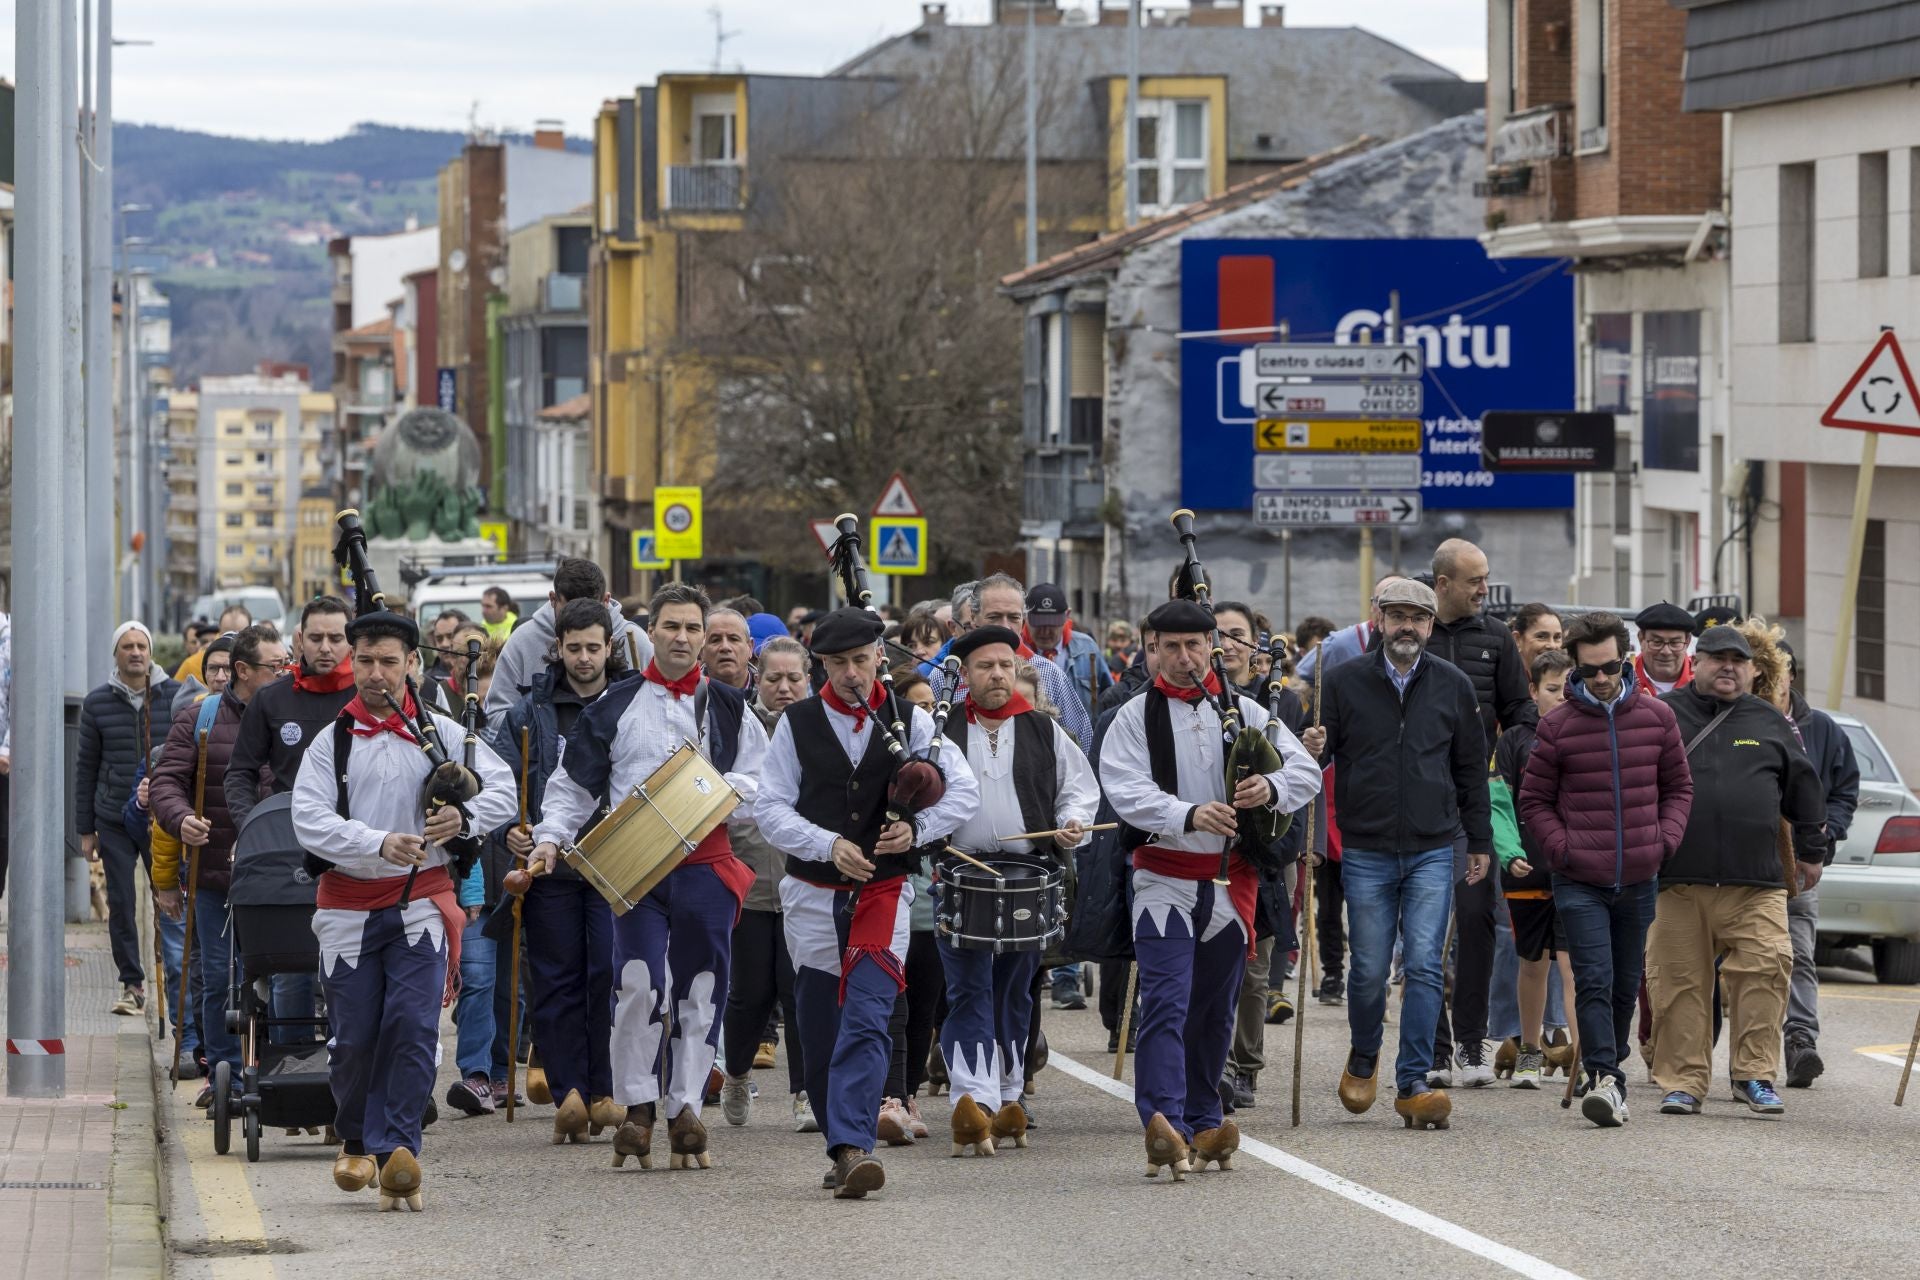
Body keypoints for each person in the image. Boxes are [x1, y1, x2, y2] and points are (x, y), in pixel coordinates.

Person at [530, 584, 769, 1172]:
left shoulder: (732, 706)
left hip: (706, 866)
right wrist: (549, 839)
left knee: (702, 988)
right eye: (672, 627)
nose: (684, 639)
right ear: (646, 635)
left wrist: (717, 793)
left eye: (695, 629)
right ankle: (637, 1106)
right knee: (637, 985)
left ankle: (686, 1107)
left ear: (706, 637)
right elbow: (571, 787)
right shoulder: (613, 704)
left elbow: (763, 784)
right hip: (635, 869)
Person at [292, 607, 516, 1210]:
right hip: (346, 909)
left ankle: (397, 1150)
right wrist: (377, 843)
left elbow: (504, 789)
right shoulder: (330, 742)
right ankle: (359, 1134)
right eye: (364, 661)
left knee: (414, 1027)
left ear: (412, 665)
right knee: (356, 1037)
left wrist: (464, 818)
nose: (375, 673)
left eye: (388, 661)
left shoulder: (443, 733)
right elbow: (308, 820)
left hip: (420, 902)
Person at [755, 607, 979, 1198]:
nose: (852, 673)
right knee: (822, 1022)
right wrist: (826, 844)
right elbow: (771, 808)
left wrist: (918, 830)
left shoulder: (913, 720)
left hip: (884, 889)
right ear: (819, 665)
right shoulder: (795, 724)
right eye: (837, 663)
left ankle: (854, 1146)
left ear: (882, 655)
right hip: (811, 891)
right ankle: (841, 1137)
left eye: (861, 659)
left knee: (870, 1011)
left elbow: (963, 791)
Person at [1101, 598, 1320, 1175]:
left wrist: (1268, 788)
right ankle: (1164, 1120)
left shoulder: (1243, 711)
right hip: (1163, 879)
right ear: (1152, 650)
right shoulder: (1133, 718)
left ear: (1212, 649)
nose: (1183, 658)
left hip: (1231, 886)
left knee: (1215, 1009)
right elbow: (1124, 788)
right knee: (1168, 1001)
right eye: (1169, 647)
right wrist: (1188, 814)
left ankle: (1203, 1115)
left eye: (1194, 645)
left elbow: (1304, 772)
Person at [1312, 579, 1489, 1132]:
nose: (1407, 626)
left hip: (1434, 847)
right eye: (1397, 616)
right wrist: (1309, 744)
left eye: (1418, 617)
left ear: (1431, 626)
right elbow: (1313, 759)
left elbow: (1469, 769)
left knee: (1422, 966)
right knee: (1366, 970)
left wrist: (1479, 841)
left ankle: (1413, 1079)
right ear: (1379, 619)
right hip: (1364, 847)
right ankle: (1365, 1054)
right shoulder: (1341, 682)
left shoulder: (1454, 685)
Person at [1516, 615, 1693, 1126]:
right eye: (1590, 670)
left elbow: (1679, 788)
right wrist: (1562, 848)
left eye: (1611, 667)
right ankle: (1605, 1078)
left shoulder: (1657, 718)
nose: (1600, 679)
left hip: (1640, 873)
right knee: (1592, 978)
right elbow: (1534, 800)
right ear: (1576, 666)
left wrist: (1665, 841)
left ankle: (1607, 1068)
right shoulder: (1557, 725)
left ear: (1625, 658)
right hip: (1578, 878)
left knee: (1622, 984)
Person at [1649, 625, 1827, 1117]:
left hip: (1757, 883)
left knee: (1766, 973)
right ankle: (1683, 1083)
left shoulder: (1770, 720)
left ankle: (1754, 1076)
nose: (1728, 667)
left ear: (1752, 669)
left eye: (1738, 660)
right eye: (1717, 658)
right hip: (1677, 881)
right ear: (1697, 662)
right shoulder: (1663, 716)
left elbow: (1804, 791)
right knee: (1679, 984)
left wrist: (1812, 850)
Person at [935, 625, 1098, 1155]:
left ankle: (1008, 1097)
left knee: (1013, 989)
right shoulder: (940, 731)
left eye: (1006, 665)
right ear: (966, 677)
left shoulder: (1044, 730)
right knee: (967, 989)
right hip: (961, 874)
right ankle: (973, 1101)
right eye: (986, 666)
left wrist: (1072, 821)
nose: (998, 674)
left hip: (1027, 876)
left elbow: (1079, 788)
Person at [488, 598, 633, 1134]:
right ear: (558, 649)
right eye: (574, 648)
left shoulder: (629, 702)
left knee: (608, 976)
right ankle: (570, 1090)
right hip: (549, 868)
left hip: (615, 864)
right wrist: (512, 826)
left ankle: (605, 1089)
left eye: (593, 647)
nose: (584, 658)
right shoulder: (531, 710)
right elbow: (501, 780)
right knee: (555, 979)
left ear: (609, 648)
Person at [152, 627, 288, 1103]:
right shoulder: (200, 719)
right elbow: (166, 782)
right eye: (276, 666)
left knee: (287, 973)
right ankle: (224, 1074)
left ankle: (284, 1068)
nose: (284, 673)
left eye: (287, 664)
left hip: (284, 879)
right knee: (218, 978)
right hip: (216, 879)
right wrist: (181, 819)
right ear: (243, 671)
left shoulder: (295, 716)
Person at [1425, 539, 1536, 1090]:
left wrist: (1519, 760)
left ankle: (1471, 1040)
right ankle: (1434, 1048)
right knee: (1423, 933)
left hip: (1476, 805)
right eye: (1473, 581)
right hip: (1418, 803)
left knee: (1475, 920)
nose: (1484, 590)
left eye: (1486, 578)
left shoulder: (1495, 639)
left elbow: (1520, 712)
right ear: (1442, 584)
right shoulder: (1411, 630)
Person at [717, 637, 814, 1133]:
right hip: (751, 885)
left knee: (801, 993)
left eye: (793, 678)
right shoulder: (741, 727)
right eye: (773, 678)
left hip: (806, 885)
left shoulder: (820, 728)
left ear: (808, 678)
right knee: (749, 995)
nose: (783, 687)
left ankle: (805, 1093)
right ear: (759, 678)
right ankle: (734, 1074)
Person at [78, 621, 181, 1016]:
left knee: (168, 899)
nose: (136, 652)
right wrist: (85, 830)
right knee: (121, 901)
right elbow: (85, 767)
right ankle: (132, 983)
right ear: (116, 654)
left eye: (141, 645)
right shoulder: (97, 702)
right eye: (127, 646)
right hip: (113, 819)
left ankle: (175, 977)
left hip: (163, 818)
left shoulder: (174, 696)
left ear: (151, 651)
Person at [1775, 639, 1858, 1089]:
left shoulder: (1822, 729)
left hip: (1803, 864)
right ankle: (1700, 1051)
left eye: (1784, 668)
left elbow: (1845, 789)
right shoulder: (1736, 719)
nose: (1777, 677)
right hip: (1737, 864)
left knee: (1799, 953)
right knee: (1728, 964)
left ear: (1791, 674)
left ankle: (1801, 1039)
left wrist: (1826, 835)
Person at [1491, 648, 1574, 1088]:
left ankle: (1586, 1058)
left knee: (1574, 964)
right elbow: (1499, 801)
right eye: (1553, 689)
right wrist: (1508, 851)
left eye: (1568, 689)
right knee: (1532, 962)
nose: (1562, 698)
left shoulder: (1591, 733)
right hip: (1526, 867)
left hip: (1579, 868)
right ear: (1533, 690)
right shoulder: (1514, 740)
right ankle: (1528, 1048)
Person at [225, 597, 356, 833]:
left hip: (357, 837)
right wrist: (253, 828)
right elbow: (240, 773)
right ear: (300, 640)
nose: (325, 647)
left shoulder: (368, 697)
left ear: (350, 642)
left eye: (336, 639)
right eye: (316, 638)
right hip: (288, 836)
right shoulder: (270, 698)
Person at [486, 557, 653, 721]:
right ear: (553, 599)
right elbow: (495, 715)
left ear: (606, 600)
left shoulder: (635, 641)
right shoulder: (522, 642)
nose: (579, 618)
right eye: (573, 648)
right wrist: (544, 735)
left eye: (594, 648)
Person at [1022, 582, 1114, 721]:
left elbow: (1109, 697)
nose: (1045, 631)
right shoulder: (1016, 652)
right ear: (1025, 617)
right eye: (1039, 623)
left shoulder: (1087, 648)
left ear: (1067, 615)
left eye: (1053, 624)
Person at [176, 604, 252, 685]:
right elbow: (174, 693)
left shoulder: (258, 662)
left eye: (240, 635)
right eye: (227, 633)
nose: (232, 639)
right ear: (219, 633)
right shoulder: (192, 664)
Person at [1631, 603, 1696, 697]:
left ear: (1688, 641)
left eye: (1674, 643)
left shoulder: (1702, 683)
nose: (1666, 652)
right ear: (1641, 639)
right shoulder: (1622, 681)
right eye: (1657, 642)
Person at [702, 607, 755, 695]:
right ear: (702, 650)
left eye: (733, 639)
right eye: (715, 640)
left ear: (750, 647)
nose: (725, 647)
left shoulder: (770, 692)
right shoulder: (685, 694)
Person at [1510, 604, 1564, 672]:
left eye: (1557, 637)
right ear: (1517, 640)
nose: (1552, 645)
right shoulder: (1501, 679)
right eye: (1541, 636)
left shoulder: (1569, 679)